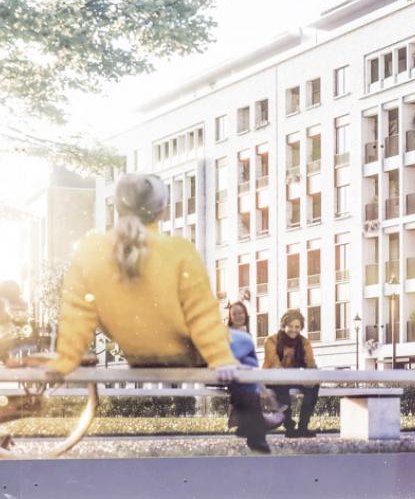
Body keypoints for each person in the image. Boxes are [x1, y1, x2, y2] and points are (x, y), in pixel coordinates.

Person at [47, 173, 271, 454]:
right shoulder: (179, 250)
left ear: (117, 208)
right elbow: (201, 314)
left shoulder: (90, 252)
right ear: (162, 210)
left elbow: (76, 313)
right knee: (244, 343)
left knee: (239, 348)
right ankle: (253, 427)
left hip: (138, 357)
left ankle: (251, 420)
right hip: (183, 356)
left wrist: (65, 359)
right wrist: (220, 358)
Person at [264, 309, 320, 438]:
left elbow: (310, 363)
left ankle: (303, 427)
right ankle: (289, 427)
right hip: (273, 377)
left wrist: (312, 376)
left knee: (314, 386)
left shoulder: (304, 342)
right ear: (284, 325)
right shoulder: (271, 341)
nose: (294, 330)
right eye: (290, 326)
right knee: (282, 387)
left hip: (293, 377)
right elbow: (275, 364)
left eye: (297, 327)